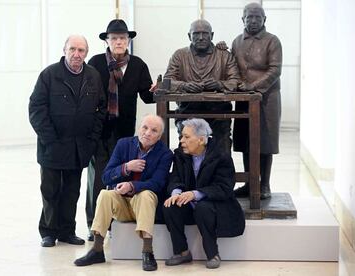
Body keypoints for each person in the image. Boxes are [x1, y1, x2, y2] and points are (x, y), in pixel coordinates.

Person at [29, 35, 106, 247]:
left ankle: (66, 231)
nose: (76, 54)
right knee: (51, 190)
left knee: (72, 191)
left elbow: (101, 108)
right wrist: (49, 139)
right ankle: (48, 232)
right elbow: (36, 108)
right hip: (52, 146)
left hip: (79, 147)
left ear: (86, 53)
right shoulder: (49, 75)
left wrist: (92, 138)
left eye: (81, 50)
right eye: (72, 49)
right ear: (65, 50)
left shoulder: (93, 76)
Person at [74, 114, 173, 271]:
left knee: (146, 194)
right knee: (105, 194)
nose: (147, 133)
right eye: (145, 127)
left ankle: (148, 252)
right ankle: (97, 249)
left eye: (154, 131)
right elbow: (106, 177)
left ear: (159, 136)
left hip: (144, 206)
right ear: (139, 128)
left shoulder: (165, 154)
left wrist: (131, 186)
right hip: (122, 204)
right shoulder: (123, 144)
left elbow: (158, 184)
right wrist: (126, 167)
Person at [85, 19, 155, 241]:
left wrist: (158, 91)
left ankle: (115, 221)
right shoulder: (95, 63)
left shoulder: (138, 65)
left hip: (125, 132)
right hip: (99, 129)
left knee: (120, 175)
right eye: (114, 38)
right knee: (97, 178)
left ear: (128, 41)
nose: (119, 42)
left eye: (123, 38)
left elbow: (147, 95)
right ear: (107, 40)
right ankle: (94, 226)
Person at [163, 118, 245, 269]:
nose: (181, 141)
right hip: (189, 202)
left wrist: (196, 194)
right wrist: (176, 192)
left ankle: (212, 253)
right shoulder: (181, 154)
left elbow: (224, 187)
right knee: (171, 205)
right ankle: (182, 252)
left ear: (201, 140)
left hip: (215, 204)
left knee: (203, 208)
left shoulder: (221, 156)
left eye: (186, 137)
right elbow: (175, 177)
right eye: (181, 136)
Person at [163, 19, 240, 154]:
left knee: (222, 148)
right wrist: (184, 86)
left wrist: (219, 84)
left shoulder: (224, 55)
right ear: (189, 36)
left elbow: (235, 81)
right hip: (188, 111)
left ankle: (221, 174)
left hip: (219, 112)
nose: (201, 37)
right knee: (187, 148)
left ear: (212, 35)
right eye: (196, 34)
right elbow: (167, 80)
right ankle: (187, 174)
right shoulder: (179, 55)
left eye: (205, 33)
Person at [231, 3, 282, 199]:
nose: (253, 21)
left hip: (267, 98)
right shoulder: (237, 41)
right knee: (245, 141)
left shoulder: (272, 41)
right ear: (242, 19)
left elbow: (275, 70)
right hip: (243, 99)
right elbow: (231, 67)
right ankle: (250, 183)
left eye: (257, 17)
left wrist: (253, 86)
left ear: (264, 20)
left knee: (265, 142)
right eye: (249, 17)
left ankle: (265, 184)